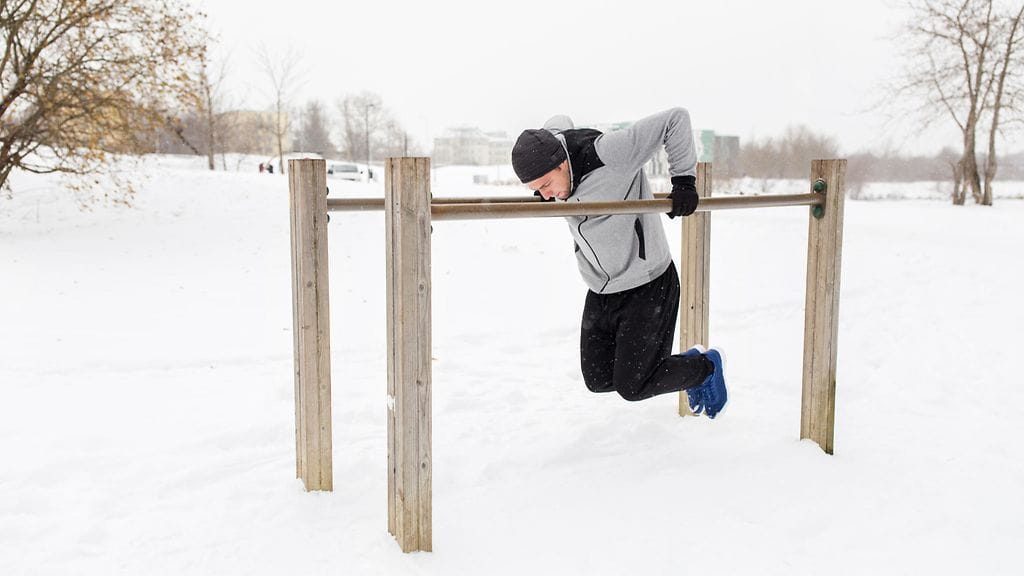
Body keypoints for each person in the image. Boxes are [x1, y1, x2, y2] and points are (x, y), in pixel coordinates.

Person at [511, 108, 728, 417]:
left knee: (633, 386)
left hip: (647, 283)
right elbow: (559, 122)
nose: (546, 197)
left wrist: (683, 182)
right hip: (600, 288)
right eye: (536, 190)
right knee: (598, 379)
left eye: (545, 185)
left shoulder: (612, 154)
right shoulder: (552, 149)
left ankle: (703, 367)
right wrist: (541, 178)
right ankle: (678, 365)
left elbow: (675, 119)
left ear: (561, 163)